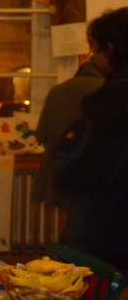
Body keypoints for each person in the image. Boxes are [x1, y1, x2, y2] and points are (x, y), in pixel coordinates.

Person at [54, 7, 128, 270]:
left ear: (110, 49)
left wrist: (65, 175)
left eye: (95, 48)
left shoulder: (109, 99)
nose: (93, 56)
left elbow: (86, 168)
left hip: (111, 223)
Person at [32, 61, 103, 248]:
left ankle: (66, 257)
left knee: (72, 224)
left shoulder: (58, 91)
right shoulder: (105, 91)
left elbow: (42, 134)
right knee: (87, 227)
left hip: (60, 168)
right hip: (92, 170)